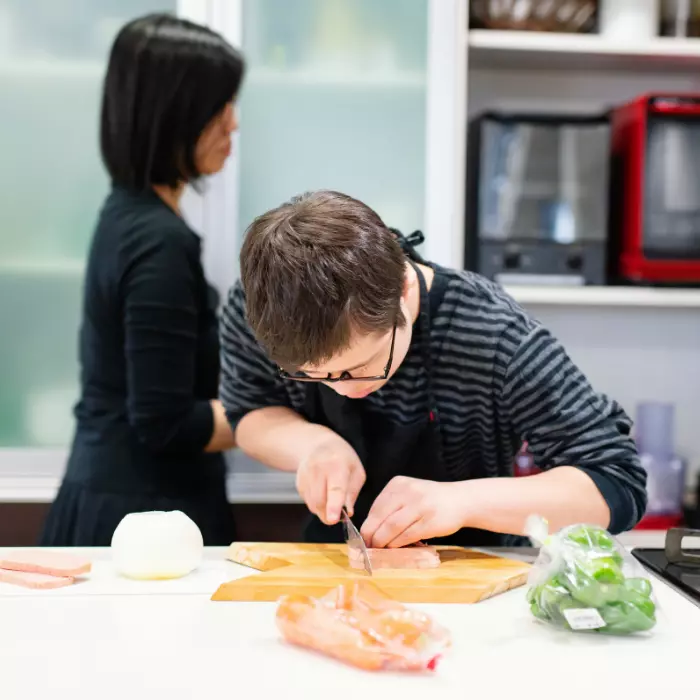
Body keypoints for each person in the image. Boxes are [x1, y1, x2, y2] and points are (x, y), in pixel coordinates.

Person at [219, 190, 647, 548]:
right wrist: (310, 445)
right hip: (335, 562)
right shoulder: (258, 309)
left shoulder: (496, 336)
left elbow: (616, 480)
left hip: (482, 572)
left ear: (403, 291)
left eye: (363, 367)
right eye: (316, 377)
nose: (343, 391)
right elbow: (250, 412)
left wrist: (463, 502)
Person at [40, 14, 245, 546]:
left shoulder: (129, 215)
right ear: (175, 115)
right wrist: (277, 411)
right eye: (219, 106)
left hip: (118, 499)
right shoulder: (158, 242)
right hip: (143, 520)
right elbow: (166, 422)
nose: (234, 122)